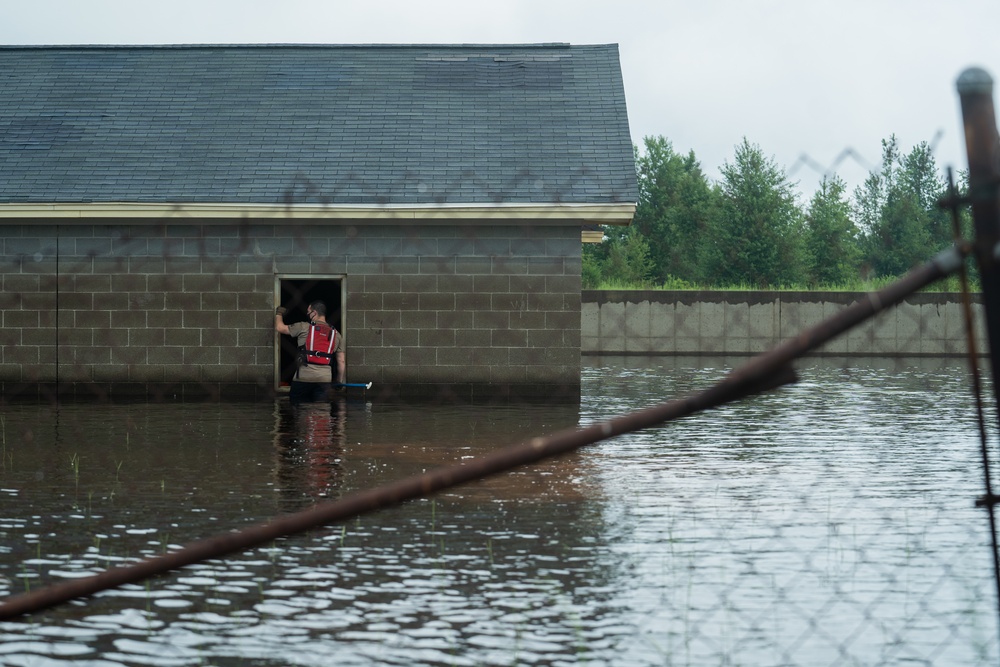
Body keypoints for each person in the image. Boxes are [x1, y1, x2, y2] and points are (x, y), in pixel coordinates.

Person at [275, 300, 346, 403]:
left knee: (299, 411)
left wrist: (279, 313)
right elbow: (341, 361)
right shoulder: (337, 335)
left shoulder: (303, 327)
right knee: (321, 413)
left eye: (309, 312)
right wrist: (339, 381)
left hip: (303, 378)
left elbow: (280, 328)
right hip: (324, 380)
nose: (308, 314)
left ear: (314, 313)